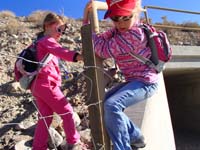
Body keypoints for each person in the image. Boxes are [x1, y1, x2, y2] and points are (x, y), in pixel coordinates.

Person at [83, 0, 159, 150]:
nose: (121, 23)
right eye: (116, 18)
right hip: (134, 79)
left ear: (135, 14)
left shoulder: (135, 34)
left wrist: (87, 25)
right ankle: (136, 137)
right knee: (105, 103)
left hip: (145, 82)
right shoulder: (119, 30)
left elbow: (101, 49)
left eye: (126, 17)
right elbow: (102, 38)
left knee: (112, 105)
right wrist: (88, 20)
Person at [17, 12, 86, 150]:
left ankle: (38, 147)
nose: (61, 33)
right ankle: (74, 142)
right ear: (47, 26)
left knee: (45, 118)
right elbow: (62, 52)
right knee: (67, 111)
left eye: (63, 30)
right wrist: (81, 57)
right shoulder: (47, 40)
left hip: (36, 86)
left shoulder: (38, 43)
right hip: (46, 83)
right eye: (59, 29)